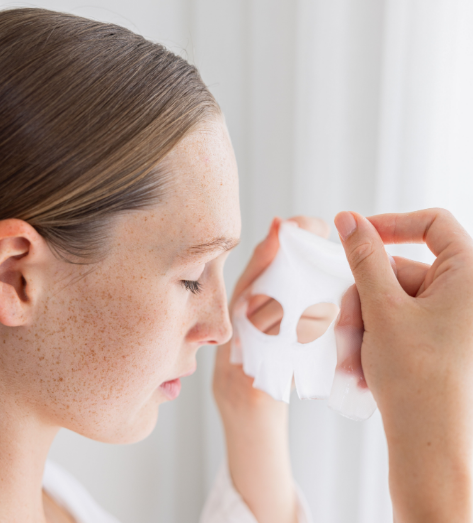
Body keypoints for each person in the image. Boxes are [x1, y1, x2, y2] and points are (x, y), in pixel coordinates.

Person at [0, 8, 472, 523]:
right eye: (191, 278)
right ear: (15, 277)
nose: (222, 328)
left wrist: (251, 404)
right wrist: (435, 454)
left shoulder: (57, 501)